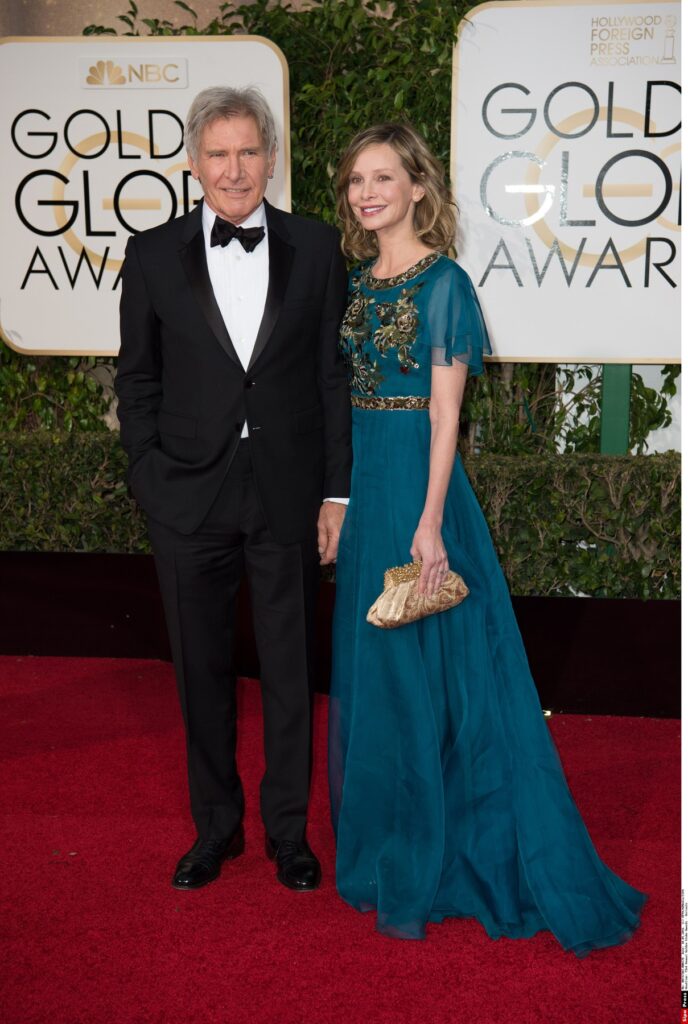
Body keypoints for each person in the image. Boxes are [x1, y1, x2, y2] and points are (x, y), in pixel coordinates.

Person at [328, 122, 646, 954]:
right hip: (369, 486)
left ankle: (448, 851)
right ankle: (392, 842)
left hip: (418, 492)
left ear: (418, 187)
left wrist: (429, 521)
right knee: (382, 674)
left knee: (439, 679)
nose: (368, 193)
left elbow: (446, 416)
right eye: (357, 180)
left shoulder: (445, 284)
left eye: (384, 178)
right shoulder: (357, 284)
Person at [115, 86, 351, 893]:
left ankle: (289, 834)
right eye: (218, 154)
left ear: (271, 158)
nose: (235, 169)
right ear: (194, 163)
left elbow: (331, 379)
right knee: (200, 672)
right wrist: (148, 474)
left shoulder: (317, 247)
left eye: (249, 151)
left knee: (291, 671)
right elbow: (137, 379)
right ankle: (214, 829)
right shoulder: (152, 254)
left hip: (287, 491)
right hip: (187, 496)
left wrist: (337, 494)